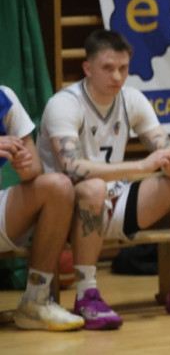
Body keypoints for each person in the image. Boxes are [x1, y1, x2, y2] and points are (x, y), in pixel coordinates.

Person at [37, 30, 170, 329]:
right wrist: (141, 165)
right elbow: (72, 168)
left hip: (115, 199)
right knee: (92, 187)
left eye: (123, 68)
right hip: (65, 213)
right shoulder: (64, 104)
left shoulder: (132, 99)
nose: (117, 76)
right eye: (108, 68)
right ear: (88, 68)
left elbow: (164, 147)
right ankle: (86, 295)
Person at [1, 86, 83, 331]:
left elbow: (34, 167)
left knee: (58, 186)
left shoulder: (3, 97)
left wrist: (24, 164)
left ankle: (35, 301)